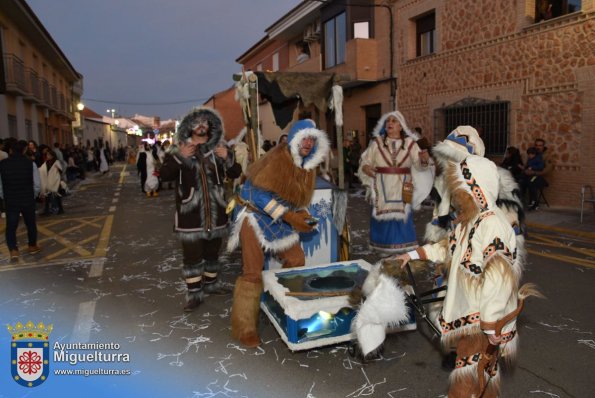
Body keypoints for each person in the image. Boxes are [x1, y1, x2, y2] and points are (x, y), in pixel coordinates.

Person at [395, 154, 538, 397]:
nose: (457, 197)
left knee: (467, 378)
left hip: (481, 320)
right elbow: (447, 248)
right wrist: (415, 254)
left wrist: (492, 324)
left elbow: (499, 281)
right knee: (483, 375)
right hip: (471, 317)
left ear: (477, 188)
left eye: (461, 189)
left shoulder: (493, 225)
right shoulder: (468, 222)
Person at [226, 118, 329, 348]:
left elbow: (291, 198)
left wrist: (301, 214)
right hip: (253, 215)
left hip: (278, 218)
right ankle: (245, 328)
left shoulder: (307, 164)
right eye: (305, 137)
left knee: (296, 259)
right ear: (295, 137)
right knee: (252, 273)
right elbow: (259, 196)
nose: (309, 142)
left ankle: (284, 306)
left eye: (313, 138)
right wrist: (291, 217)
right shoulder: (276, 158)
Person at [160, 107, 241, 312]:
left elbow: (235, 172)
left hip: (217, 214)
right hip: (191, 215)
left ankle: (211, 285)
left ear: (210, 126)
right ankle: (194, 294)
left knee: (213, 253)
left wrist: (228, 156)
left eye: (205, 122)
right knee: (192, 257)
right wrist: (180, 157)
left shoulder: (218, 149)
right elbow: (165, 175)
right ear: (190, 127)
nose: (201, 125)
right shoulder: (178, 150)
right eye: (197, 122)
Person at [357, 111, 431, 254]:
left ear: (401, 126)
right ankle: (382, 248)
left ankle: (404, 249)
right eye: (388, 121)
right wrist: (366, 168)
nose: (389, 123)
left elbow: (419, 166)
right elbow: (365, 161)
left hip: (404, 185)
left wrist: (424, 159)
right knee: (382, 218)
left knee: (403, 217)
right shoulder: (377, 143)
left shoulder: (410, 144)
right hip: (381, 184)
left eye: (394, 121)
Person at [0, 139, 41, 260]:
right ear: (24, 150)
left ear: (11, 150)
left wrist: (4, 196)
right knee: (30, 223)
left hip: (11, 200)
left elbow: (0, 185)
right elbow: (37, 184)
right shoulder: (30, 163)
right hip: (27, 198)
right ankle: (32, 246)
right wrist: (33, 195)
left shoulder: (2, 164)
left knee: (11, 225)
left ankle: (13, 250)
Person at [521, 138, 553, 211]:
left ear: (543, 146)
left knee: (532, 182)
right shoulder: (532, 154)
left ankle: (534, 202)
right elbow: (527, 165)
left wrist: (534, 172)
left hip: (542, 178)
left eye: (540, 145)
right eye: (536, 145)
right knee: (522, 181)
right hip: (532, 176)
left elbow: (547, 170)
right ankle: (523, 201)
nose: (538, 147)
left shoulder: (547, 156)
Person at [39, 149, 64, 215]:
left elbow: (61, 171)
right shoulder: (46, 163)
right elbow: (42, 169)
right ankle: (46, 211)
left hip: (55, 181)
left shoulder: (56, 162)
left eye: (49, 155)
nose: (47, 156)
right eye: (47, 155)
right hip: (48, 181)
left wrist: (58, 169)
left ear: (52, 156)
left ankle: (60, 209)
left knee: (56, 196)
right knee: (47, 197)